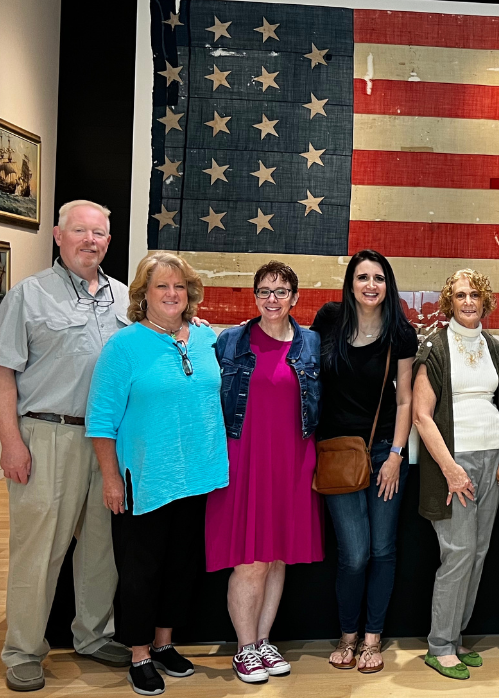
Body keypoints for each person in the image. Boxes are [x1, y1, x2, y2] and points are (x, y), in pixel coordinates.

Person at [0, 200, 133, 692]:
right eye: (80, 231)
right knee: (38, 551)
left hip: (108, 441)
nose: (90, 240)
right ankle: (23, 650)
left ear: (109, 241)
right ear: (58, 235)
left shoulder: (124, 299)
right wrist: (11, 442)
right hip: (48, 434)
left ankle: (93, 635)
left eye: (99, 233)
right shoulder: (28, 296)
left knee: (101, 547)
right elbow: (1, 371)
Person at [86, 252, 229, 696]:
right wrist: (111, 479)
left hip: (198, 477)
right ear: (142, 294)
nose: (172, 294)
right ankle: (139, 654)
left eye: (179, 287)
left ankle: (165, 644)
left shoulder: (206, 339)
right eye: (162, 286)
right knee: (140, 570)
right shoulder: (123, 347)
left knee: (181, 567)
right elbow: (100, 421)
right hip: (143, 480)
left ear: (191, 295)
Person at [206, 261, 323, 684]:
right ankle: (244, 648)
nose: (271, 299)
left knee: (277, 558)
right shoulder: (231, 340)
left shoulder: (310, 343)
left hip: (293, 459)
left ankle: (263, 640)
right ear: (254, 297)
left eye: (280, 291)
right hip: (244, 458)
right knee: (250, 560)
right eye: (264, 291)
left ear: (295, 297)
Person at [311, 249, 418, 674]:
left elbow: (406, 397)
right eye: (362, 277)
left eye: (378, 278)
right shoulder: (329, 320)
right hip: (337, 451)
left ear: (387, 285)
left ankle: (373, 638)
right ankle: (347, 634)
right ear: (350, 283)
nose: (370, 285)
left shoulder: (400, 332)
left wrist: (395, 455)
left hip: (384, 451)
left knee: (383, 549)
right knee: (354, 554)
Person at [412, 269, 499, 680]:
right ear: (450, 302)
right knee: (458, 553)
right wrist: (450, 469)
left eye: (475, 295)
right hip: (454, 461)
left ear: (485, 300)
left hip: (492, 457)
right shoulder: (434, 346)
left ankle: (455, 637)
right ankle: (439, 645)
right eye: (461, 295)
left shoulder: (494, 345)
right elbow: (421, 415)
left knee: (480, 551)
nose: (469, 302)